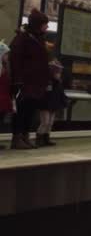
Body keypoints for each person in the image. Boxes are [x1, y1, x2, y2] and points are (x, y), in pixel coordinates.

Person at [10, 9, 50, 149]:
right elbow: (15, 59)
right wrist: (18, 80)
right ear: (38, 24)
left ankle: (25, 136)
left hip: (36, 83)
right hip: (25, 82)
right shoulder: (23, 38)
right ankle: (17, 138)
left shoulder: (38, 38)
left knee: (30, 111)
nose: (47, 27)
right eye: (45, 24)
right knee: (21, 110)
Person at [36, 60, 68, 147]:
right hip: (45, 104)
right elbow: (44, 93)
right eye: (57, 72)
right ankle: (39, 138)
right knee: (45, 122)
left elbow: (60, 93)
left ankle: (46, 138)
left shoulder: (58, 82)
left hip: (53, 104)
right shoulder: (47, 81)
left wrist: (63, 101)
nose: (59, 74)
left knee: (50, 122)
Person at [0, 41, 12, 150]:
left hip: (3, 98)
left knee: (1, 120)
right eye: (6, 54)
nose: (7, 57)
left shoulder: (5, 67)